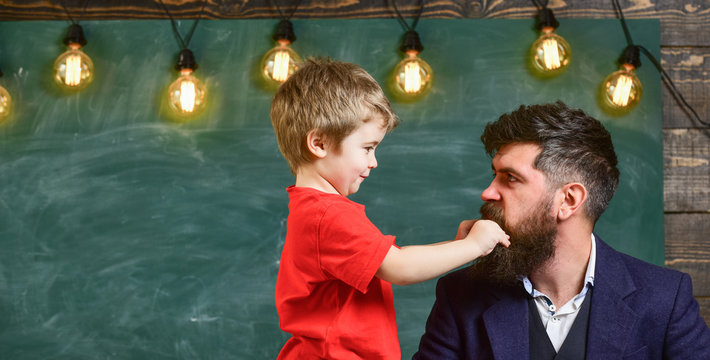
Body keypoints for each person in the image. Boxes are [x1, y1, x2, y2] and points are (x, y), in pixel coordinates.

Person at [414, 101, 710, 359]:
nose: (488, 192)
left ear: (568, 200)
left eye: (511, 178)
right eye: (495, 175)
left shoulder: (665, 299)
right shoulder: (460, 294)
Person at [270, 58, 510, 359]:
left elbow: (389, 260)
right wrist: (474, 246)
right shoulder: (327, 215)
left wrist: (457, 245)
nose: (374, 162)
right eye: (367, 148)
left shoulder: (313, 209)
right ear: (319, 143)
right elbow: (400, 267)